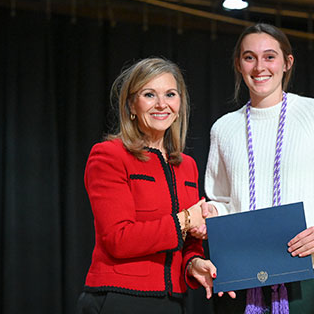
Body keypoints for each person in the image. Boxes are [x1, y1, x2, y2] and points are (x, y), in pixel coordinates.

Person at [193, 23, 314, 313]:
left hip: (305, 272)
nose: (259, 67)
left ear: (287, 63)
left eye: (269, 56)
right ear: (238, 64)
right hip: (243, 275)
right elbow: (225, 201)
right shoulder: (224, 129)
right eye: (249, 57)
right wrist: (213, 213)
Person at [77, 57, 217, 314]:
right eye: (149, 94)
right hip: (120, 298)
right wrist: (185, 219)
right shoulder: (109, 155)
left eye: (170, 94)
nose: (161, 104)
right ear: (132, 104)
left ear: (179, 105)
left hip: (174, 301)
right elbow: (118, 239)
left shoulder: (187, 165)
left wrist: (193, 262)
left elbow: (188, 240)